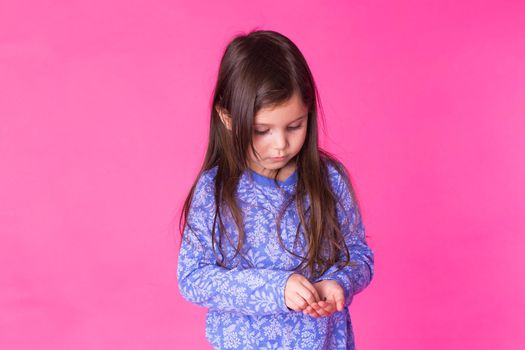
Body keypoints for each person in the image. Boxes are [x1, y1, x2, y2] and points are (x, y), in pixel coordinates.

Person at [176, 29, 374, 349]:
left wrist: (338, 283)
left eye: (294, 126)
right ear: (227, 118)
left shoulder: (330, 180)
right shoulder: (214, 191)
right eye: (262, 130)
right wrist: (276, 289)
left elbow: (359, 256)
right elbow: (193, 278)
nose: (280, 144)